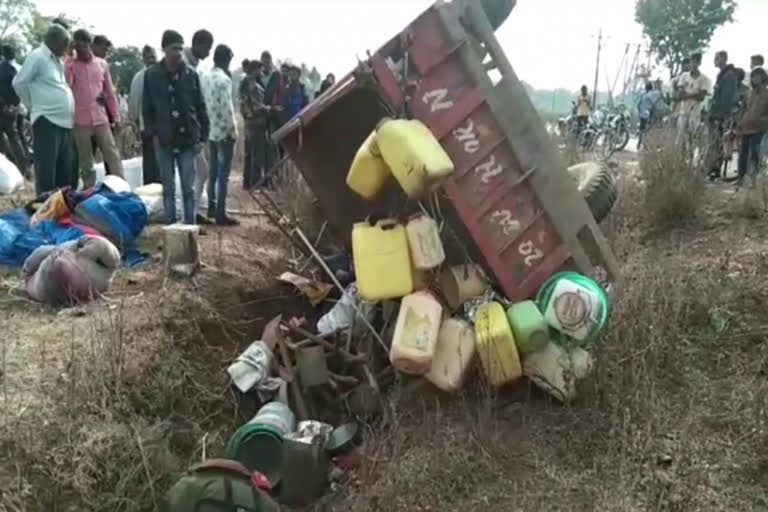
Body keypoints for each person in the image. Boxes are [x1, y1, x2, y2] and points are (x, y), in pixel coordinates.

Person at [143, 30, 209, 225]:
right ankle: (171, 230)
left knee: (188, 189)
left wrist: (202, 137)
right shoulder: (152, 75)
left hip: (188, 139)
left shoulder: (191, 74)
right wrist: (152, 133)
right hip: (163, 139)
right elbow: (147, 109)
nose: (178, 53)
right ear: (164, 49)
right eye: (174, 48)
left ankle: (189, 230)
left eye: (181, 48)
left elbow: (200, 106)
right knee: (168, 189)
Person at [13, 24, 76, 195]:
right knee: (46, 174)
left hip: (64, 123)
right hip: (47, 121)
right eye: (65, 43)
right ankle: (44, 213)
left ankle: (61, 213)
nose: (66, 48)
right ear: (54, 40)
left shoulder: (56, 61)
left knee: (64, 174)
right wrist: (33, 107)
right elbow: (19, 83)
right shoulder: (37, 57)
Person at [65, 29, 123, 188]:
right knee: (86, 164)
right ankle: (88, 194)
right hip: (80, 121)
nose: (81, 50)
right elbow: (67, 85)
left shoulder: (102, 64)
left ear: (90, 44)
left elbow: (110, 93)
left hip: (101, 119)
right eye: (78, 46)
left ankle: (121, 189)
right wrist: (69, 57)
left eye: (84, 45)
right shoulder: (71, 64)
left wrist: (116, 117)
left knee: (113, 156)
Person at [202, 44, 238, 225]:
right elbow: (227, 109)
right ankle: (220, 213)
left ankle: (211, 207)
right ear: (227, 60)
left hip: (211, 131)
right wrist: (233, 131)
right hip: (224, 133)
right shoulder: (224, 80)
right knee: (223, 176)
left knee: (213, 172)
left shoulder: (205, 77)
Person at [183, 29, 215, 226]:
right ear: (198, 45)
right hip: (185, 131)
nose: (208, 53)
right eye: (207, 48)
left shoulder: (195, 66)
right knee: (196, 173)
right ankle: (188, 217)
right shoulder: (185, 66)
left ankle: (192, 213)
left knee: (200, 172)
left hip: (194, 130)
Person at [128, 44, 160, 184]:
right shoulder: (139, 77)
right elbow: (134, 102)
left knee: (156, 161)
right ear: (144, 59)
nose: (151, 59)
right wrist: (135, 121)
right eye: (148, 57)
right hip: (147, 126)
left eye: (153, 56)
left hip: (158, 127)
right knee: (152, 161)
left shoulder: (162, 74)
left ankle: (156, 189)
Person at [240, 59, 273, 190]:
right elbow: (257, 106)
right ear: (255, 70)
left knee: (249, 154)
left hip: (248, 123)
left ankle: (247, 183)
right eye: (260, 70)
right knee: (257, 155)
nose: (261, 72)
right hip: (256, 122)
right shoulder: (252, 84)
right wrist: (269, 108)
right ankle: (255, 184)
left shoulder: (244, 82)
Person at [706, 51, 739, 180]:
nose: (715, 61)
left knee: (717, 143)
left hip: (719, 117)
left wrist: (721, 117)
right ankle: (712, 168)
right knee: (713, 143)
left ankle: (715, 170)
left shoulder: (729, 76)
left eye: (717, 58)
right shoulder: (722, 75)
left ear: (724, 59)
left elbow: (726, 100)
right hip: (715, 115)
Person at [733, 67, 768, 187]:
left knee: (755, 153)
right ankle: (740, 178)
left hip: (759, 129)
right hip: (746, 128)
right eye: (753, 76)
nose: (755, 78)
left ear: (763, 77)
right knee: (742, 154)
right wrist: (739, 123)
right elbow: (743, 110)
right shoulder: (748, 93)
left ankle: (753, 180)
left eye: (757, 75)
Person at [0, 44, 29, 175]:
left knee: (12, 137)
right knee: (17, 136)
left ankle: (13, 164)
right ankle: (24, 166)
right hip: (16, 108)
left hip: (6, 109)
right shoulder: (18, 68)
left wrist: (8, 105)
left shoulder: (4, 68)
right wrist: (16, 104)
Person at [674, 53, 710, 148]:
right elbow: (680, 95)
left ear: (699, 63)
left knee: (692, 137)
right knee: (680, 136)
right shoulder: (684, 76)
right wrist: (694, 94)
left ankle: (689, 157)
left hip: (695, 112)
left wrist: (688, 94)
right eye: (692, 61)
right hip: (683, 111)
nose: (693, 64)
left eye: (696, 62)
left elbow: (701, 97)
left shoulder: (704, 79)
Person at [636, 82, 666, 150]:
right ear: (652, 88)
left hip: (644, 116)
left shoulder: (643, 95)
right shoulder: (657, 94)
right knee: (655, 130)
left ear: (645, 88)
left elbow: (638, 105)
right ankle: (657, 146)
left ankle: (639, 143)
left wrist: (640, 113)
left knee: (642, 129)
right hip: (656, 116)